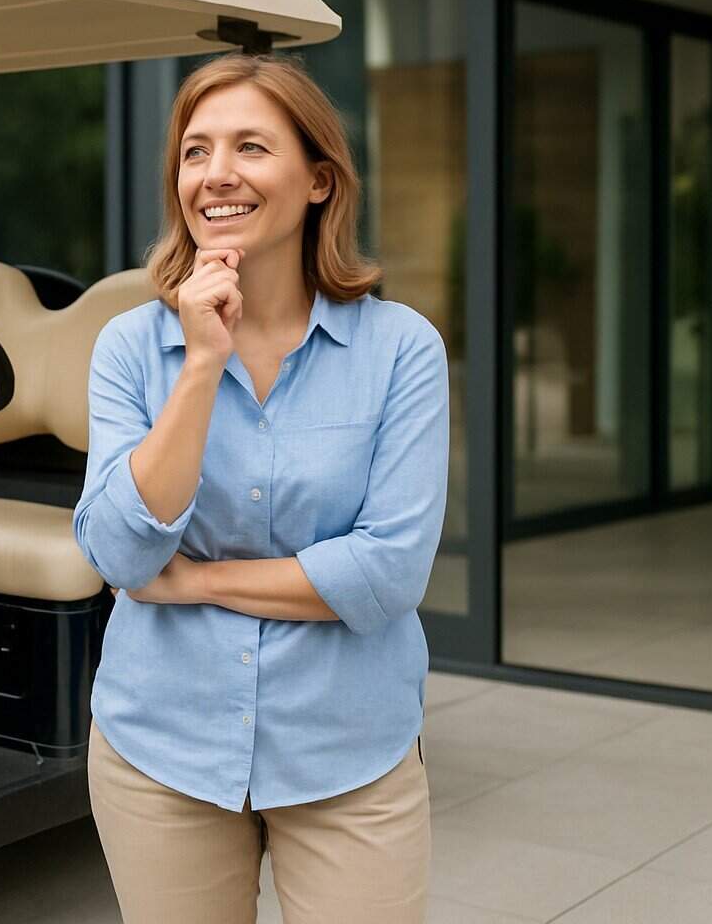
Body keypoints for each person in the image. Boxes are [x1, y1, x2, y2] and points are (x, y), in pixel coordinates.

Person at [72, 52, 448, 924]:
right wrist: (201, 363)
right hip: (160, 749)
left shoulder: (402, 350)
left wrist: (195, 581)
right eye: (196, 151)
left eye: (250, 147)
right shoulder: (132, 348)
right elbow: (123, 551)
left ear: (319, 179)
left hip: (350, 753)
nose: (217, 175)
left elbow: (387, 573)